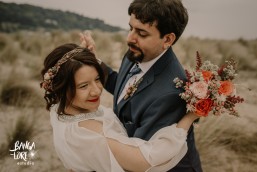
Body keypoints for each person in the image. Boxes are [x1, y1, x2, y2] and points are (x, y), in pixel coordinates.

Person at [80, 0, 202, 171]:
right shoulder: (137, 52)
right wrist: (95, 61)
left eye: (142, 33)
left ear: (167, 39)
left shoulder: (171, 93)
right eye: (131, 28)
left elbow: (139, 156)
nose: (129, 38)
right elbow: (122, 89)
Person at [40, 43, 200, 172]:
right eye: (83, 86)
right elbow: (149, 159)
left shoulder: (59, 110)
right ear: (60, 88)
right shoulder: (93, 134)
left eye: (97, 79)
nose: (96, 90)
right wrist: (189, 118)